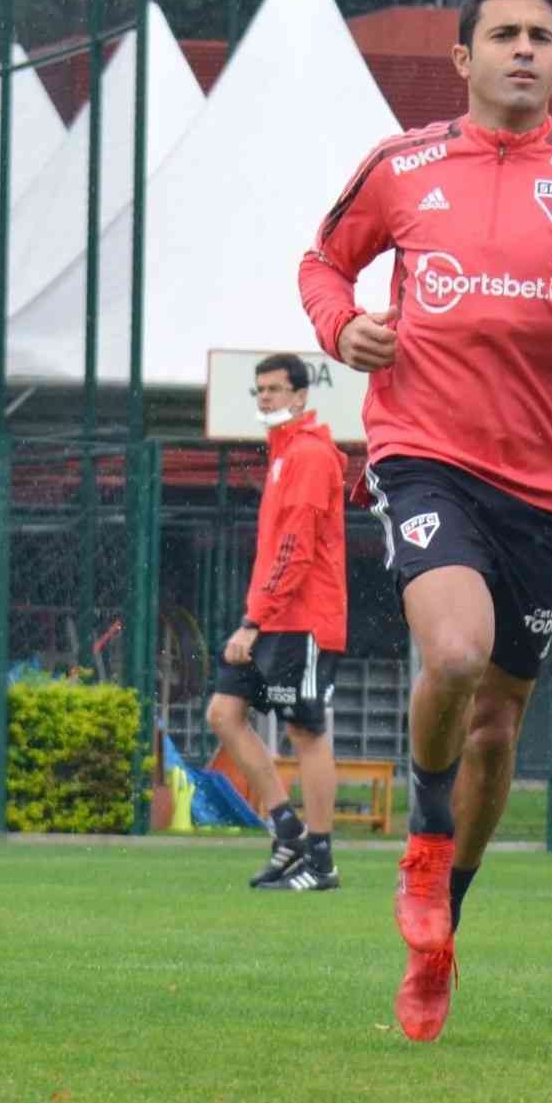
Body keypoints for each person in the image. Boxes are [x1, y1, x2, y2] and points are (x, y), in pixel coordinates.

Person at [299, 0, 552, 1042]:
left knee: (498, 725)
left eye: (541, 36)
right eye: (503, 35)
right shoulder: (401, 167)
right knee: (458, 655)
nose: (524, 49)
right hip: (423, 454)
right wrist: (342, 333)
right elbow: (321, 266)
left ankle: (441, 937)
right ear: (461, 58)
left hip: (545, 486)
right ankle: (422, 845)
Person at [207, 353, 348, 894]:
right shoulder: (283, 454)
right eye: (259, 390)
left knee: (306, 732)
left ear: (300, 396)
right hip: (272, 616)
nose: (265, 398)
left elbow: (296, 550)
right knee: (224, 713)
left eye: (274, 389)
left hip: (303, 619)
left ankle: (321, 858)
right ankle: (286, 829)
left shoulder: (310, 455)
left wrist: (252, 621)